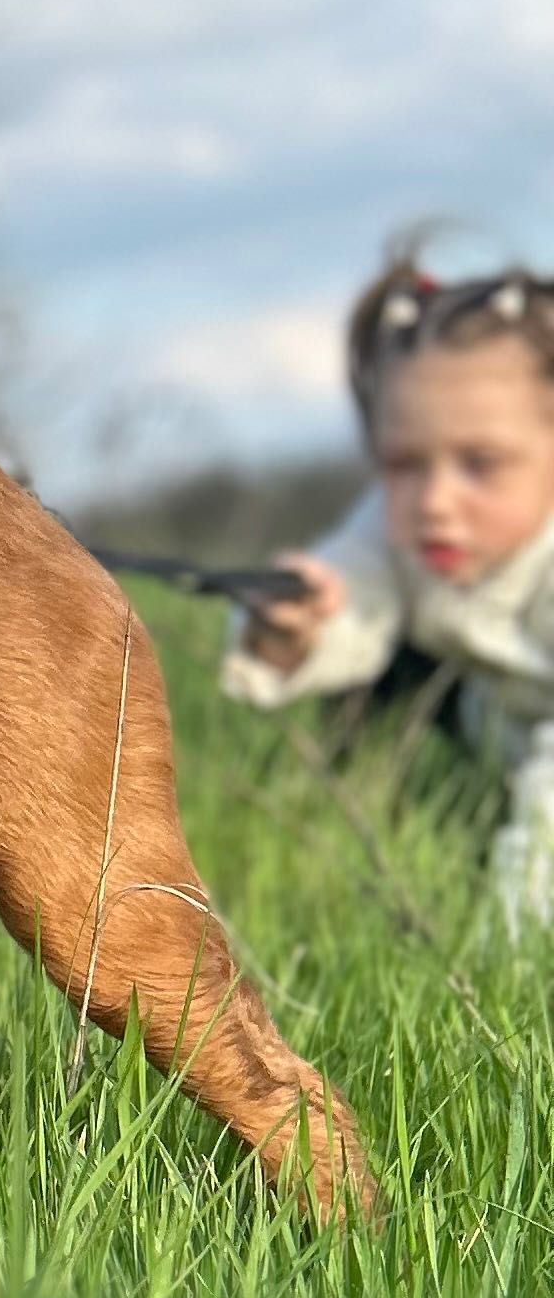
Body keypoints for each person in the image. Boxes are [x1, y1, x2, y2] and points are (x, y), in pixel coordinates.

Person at [225, 261, 554, 928]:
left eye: (480, 464)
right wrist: (295, 627)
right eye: (403, 464)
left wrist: (516, 932)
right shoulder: (397, 524)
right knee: (366, 661)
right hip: (496, 720)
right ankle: (378, 800)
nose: (434, 501)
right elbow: (352, 584)